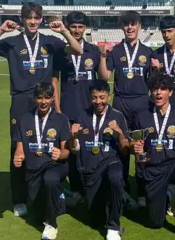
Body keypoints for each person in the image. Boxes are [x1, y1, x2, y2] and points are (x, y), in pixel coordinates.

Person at [0, 2, 82, 217]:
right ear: (23, 20)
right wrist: (0, 30)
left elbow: (77, 49)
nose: (33, 21)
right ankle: (18, 199)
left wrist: (63, 30)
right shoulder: (13, 42)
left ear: (41, 19)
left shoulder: (50, 41)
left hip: (44, 100)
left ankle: (50, 190)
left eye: (36, 18)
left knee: (48, 144)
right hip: (21, 101)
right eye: (28, 18)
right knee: (18, 148)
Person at [131, 72, 175, 240]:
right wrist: (134, 147)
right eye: (155, 89)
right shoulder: (142, 117)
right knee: (155, 222)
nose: (158, 93)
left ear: (170, 92)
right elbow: (133, 145)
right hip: (154, 168)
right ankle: (169, 194)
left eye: (162, 89)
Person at [98, 11, 155, 207]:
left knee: (140, 148)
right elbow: (105, 77)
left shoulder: (148, 52)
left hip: (141, 103)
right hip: (120, 102)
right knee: (121, 146)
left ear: (139, 26)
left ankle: (141, 189)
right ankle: (121, 189)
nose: (130, 28)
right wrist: (103, 57)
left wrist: (156, 70)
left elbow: (152, 82)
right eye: (126, 24)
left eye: (133, 24)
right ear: (122, 27)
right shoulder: (115, 51)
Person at [69, 80, 129, 240]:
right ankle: (119, 200)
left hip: (110, 162)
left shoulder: (117, 116)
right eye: (94, 97)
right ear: (90, 97)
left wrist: (120, 133)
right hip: (90, 170)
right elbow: (75, 149)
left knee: (115, 177)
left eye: (102, 97)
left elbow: (124, 150)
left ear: (108, 96)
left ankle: (114, 227)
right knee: (95, 221)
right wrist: (72, 136)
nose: (98, 102)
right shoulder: (82, 116)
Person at [52, 11, 101, 203]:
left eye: (81, 27)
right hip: (68, 109)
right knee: (71, 152)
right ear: (68, 27)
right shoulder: (61, 51)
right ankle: (76, 189)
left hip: (90, 110)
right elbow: (54, 79)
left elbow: (103, 79)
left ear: (85, 28)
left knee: (89, 149)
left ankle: (92, 185)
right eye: (73, 27)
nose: (77, 30)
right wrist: (57, 108)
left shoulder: (94, 51)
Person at [12, 82, 71, 240]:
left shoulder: (61, 119)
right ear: (34, 98)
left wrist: (61, 154)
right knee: (36, 216)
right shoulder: (24, 119)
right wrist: (18, 157)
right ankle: (59, 198)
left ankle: (52, 225)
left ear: (53, 98)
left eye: (47, 98)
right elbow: (19, 148)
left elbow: (66, 151)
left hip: (55, 166)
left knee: (50, 180)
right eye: (39, 98)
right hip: (33, 169)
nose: (43, 102)